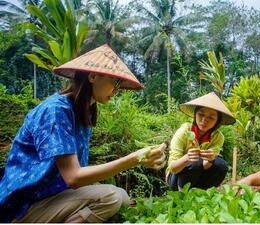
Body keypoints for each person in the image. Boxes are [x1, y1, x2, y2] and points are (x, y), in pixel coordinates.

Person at [0, 44, 166, 223]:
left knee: (123, 199)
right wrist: (134, 159)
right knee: (112, 196)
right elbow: (74, 177)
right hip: (22, 207)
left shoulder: (81, 113)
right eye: (115, 82)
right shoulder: (55, 110)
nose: (117, 90)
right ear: (93, 76)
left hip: (52, 199)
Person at [166, 92, 236, 190]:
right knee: (195, 161)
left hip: (198, 174)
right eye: (201, 114)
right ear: (195, 115)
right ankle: (181, 196)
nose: (204, 120)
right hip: (176, 176)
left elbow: (204, 166)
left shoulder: (218, 137)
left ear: (217, 121)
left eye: (211, 117)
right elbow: (173, 168)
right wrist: (186, 158)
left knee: (221, 165)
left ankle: (200, 195)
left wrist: (211, 160)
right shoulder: (184, 131)